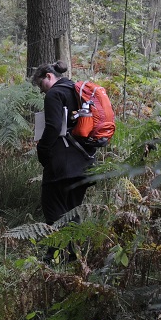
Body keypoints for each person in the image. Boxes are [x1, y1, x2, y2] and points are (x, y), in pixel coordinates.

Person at [31, 62, 97, 225]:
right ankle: (74, 250)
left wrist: (42, 150)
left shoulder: (54, 94)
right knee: (72, 212)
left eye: (41, 84)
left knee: (53, 211)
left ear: (49, 76)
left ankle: (57, 251)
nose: (41, 89)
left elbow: (53, 126)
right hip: (84, 163)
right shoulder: (77, 91)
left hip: (61, 167)